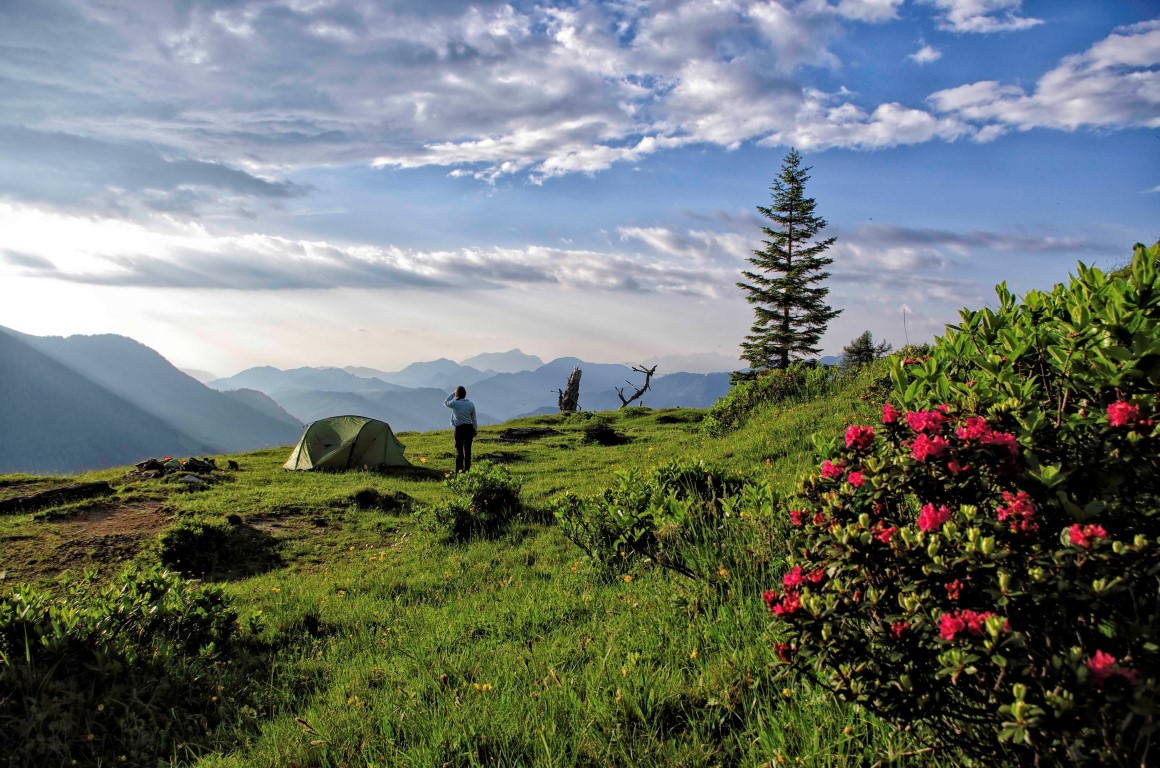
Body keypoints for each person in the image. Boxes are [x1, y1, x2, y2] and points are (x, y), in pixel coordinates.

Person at [444, 385, 478, 473]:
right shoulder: (470, 404)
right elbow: (474, 418)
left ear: (457, 394)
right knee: (468, 450)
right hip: (469, 428)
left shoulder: (454, 403)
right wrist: (475, 429)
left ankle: (459, 471)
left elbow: (445, 402)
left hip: (459, 429)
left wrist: (453, 394)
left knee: (459, 451)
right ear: (465, 394)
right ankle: (467, 470)